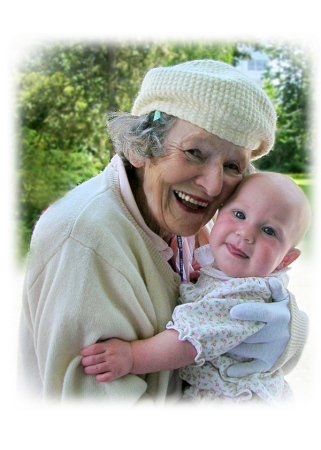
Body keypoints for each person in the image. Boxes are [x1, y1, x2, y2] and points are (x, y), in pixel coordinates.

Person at [19, 60, 308, 403]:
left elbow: (249, 301)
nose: (214, 185)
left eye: (233, 166)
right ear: (143, 148)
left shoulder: (196, 220)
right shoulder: (85, 240)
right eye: (194, 152)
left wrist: (289, 338)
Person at [80, 172, 311, 404]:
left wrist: (132, 356)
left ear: (285, 260)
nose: (246, 234)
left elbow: (187, 342)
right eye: (239, 214)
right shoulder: (225, 270)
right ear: (219, 214)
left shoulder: (245, 294)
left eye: (269, 231)